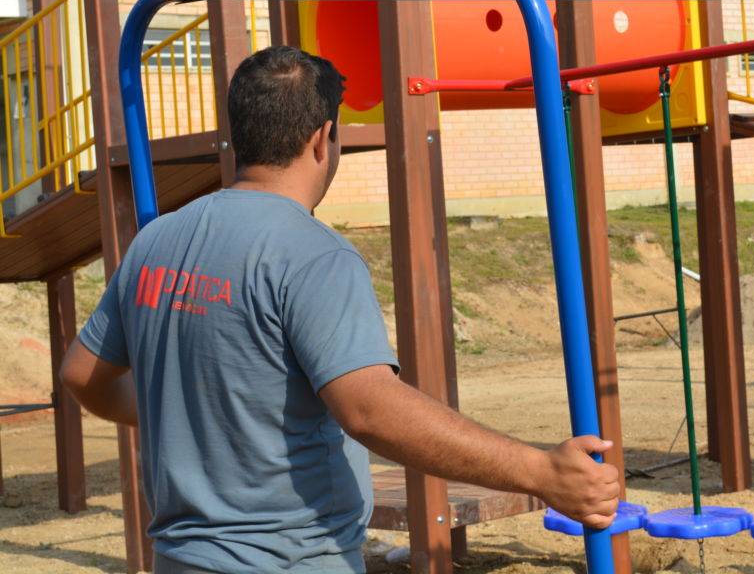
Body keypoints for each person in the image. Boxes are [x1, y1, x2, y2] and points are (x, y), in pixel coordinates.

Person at [61, 46, 619, 574]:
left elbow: (83, 374)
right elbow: (370, 410)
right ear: (324, 138)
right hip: (291, 558)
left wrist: (193, 415)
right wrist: (540, 472)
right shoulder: (312, 253)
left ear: (238, 135)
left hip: (180, 558)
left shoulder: (156, 240)